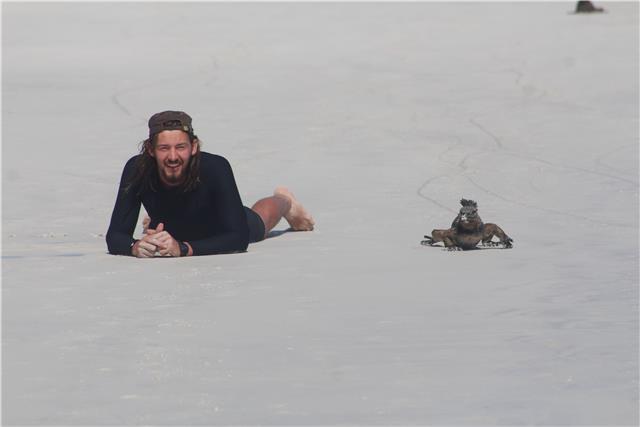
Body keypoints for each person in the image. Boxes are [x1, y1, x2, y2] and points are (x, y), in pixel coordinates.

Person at [106, 110, 314, 258]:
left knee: (258, 222)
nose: (172, 156)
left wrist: (184, 249)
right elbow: (115, 235)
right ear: (151, 149)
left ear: (194, 146)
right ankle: (161, 220)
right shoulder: (137, 169)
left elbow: (239, 238)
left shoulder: (215, 167)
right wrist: (135, 246)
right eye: (163, 148)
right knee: (163, 225)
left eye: (180, 147)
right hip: (174, 229)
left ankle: (285, 201)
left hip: (218, 227)